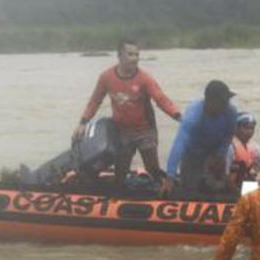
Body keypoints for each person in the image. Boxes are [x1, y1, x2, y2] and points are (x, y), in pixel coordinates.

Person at [74, 39, 181, 185]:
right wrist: (82, 123)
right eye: (130, 54)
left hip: (145, 130)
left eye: (137, 55)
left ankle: (161, 187)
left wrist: (178, 116)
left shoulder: (145, 78)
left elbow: (161, 99)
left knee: (153, 169)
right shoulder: (106, 77)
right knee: (120, 172)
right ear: (119, 56)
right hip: (121, 130)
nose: (135, 58)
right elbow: (95, 101)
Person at [166, 80, 238, 194]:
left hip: (216, 150)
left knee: (218, 187)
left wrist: (220, 154)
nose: (226, 104)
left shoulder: (231, 111)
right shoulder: (194, 114)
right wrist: (170, 176)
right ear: (209, 101)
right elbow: (179, 143)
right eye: (223, 101)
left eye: (227, 101)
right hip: (193, 152)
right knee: (190, 188)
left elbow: (229, 134)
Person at [228, 112, 260, 188]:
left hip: (248, 183)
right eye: (245, 128)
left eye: (252, 128)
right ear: (235, 128)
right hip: (230, 185)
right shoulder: (229, 147)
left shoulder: (256, 148)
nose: (249, 131)